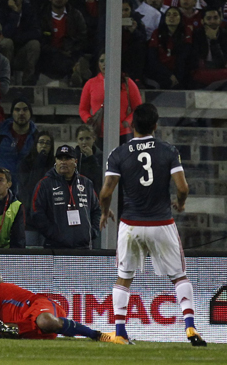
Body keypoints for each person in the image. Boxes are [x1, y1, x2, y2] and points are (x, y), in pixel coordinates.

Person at [99, 103, 207, 346]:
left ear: (131, 124)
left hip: (131, 224)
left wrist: (105, 213)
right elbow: (182, 187)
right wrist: (181, 203)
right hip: (161, 222)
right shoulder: (168, 151)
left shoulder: (118, 153)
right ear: (155, 125)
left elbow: (106, 193)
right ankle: (190, 327)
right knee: (179, 276)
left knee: (123, 277)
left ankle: (119, 331)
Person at [0, 267, 117, 343]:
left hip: (40, 305)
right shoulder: (2, 302)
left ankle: (96, 334)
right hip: (30, 327)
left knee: (45, 321)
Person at [31, 144, 100, 249]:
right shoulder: (45, 184)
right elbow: (36, 212)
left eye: (67, 158)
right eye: (60, 158)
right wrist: (53, 233)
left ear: (75, 161)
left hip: (83, 247)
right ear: (56, 161)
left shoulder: (86, 183)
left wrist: (92, 231)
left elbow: (97, 210)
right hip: (55, 247)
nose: (63, 162)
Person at [0, 97, 38, 196]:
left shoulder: (37, 138)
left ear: (30, 113)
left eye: (25, 109)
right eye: (17, 109)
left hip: (28, 195)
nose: (21, 113)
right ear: (12, 113)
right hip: (1, 194)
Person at [79, 51, 142, 147]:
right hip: (98, 134)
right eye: (101, 61)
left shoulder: (127, 82)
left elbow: (138, 108)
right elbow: (83, 109)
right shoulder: (90, 84)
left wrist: (126, 122)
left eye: (107, 60)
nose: (104, 64)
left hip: (123, 134)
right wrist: (89, 120)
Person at [37, 0, 90, 86]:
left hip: (71, 54)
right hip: (48, 57)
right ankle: (74, 73)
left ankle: (75, 75)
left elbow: (83, 39)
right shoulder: (42, 15)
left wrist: (72, 50)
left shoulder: (76, 15)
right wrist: (57, 51)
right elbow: (40, 40)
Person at [17, 130, 54, 247]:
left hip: (49, 219)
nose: (44, 145)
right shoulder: (25, 163)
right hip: (30, 218)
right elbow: (29, 186)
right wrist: (40, 161)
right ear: (35, 144)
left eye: (48, 143)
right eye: (41, 142)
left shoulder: (55, 165)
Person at [0, 0, 42, 85]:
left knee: (34, 44)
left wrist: (18, 38)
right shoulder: (2, 9)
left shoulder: (29, 9)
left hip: (22, 53)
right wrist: (15, 13)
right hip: (5, 54)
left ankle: (28, 81)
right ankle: (6, 79)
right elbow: (4, 33)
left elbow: (36, 32)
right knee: (7, 43)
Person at [146, 7, 193, 89]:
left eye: (175, 15)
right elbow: (152, 59)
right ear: (164, 18)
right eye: (168, 15)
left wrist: (177, 76)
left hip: (180, 71)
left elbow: (184, 57)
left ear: (180, 18)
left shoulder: (186, 31)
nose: (171, 17)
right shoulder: (157, 33)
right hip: (161, 71)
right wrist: (169, 75)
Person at [191, 7, 227, 88]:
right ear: (202, 21)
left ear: (220, 20)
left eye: (215, 18)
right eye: (208, 18)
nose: (212, 21)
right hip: (201, 72)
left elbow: (223, 62)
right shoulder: (196, 35)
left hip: (220, 71)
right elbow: (194, 60)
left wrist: (214, 40)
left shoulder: (225, 35)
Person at [74, 124, 103, 195]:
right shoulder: (72, 156)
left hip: (93, 194)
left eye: (88, 138)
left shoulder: (101, 156)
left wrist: (91, 158)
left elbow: (100, 178)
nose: (84, 142)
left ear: (94, 139)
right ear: (77, 140)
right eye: (81, 139)